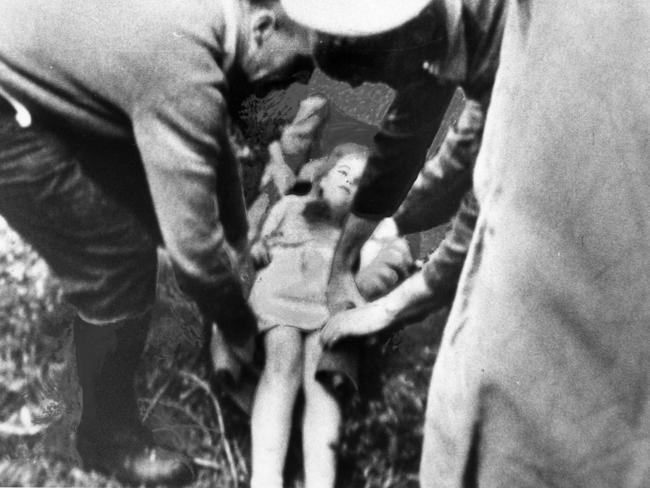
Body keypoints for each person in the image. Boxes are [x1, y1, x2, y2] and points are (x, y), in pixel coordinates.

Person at [292, 1, 650, 487]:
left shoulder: (522, 37)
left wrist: (396, 304)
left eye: (367, 78)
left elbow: (490, 198)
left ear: (405, 44)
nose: (365, 91)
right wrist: (391, 226)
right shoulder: (452, 31)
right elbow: (441, 138)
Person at [0, 0, 316, 484]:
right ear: (263, 27)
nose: (290, 80)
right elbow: (194, 259)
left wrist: (238, 234)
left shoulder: (207, 20)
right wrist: (239, 328)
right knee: (117, 262)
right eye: (294, 64)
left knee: (138, 196)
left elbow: (210, 144)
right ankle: (105, 440)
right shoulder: (185, 67)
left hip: (32, 71)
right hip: (9, 107)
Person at [280, 0, 505, 317]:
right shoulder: (431, 33)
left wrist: (399, 306)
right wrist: (394, 224)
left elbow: (483, 197)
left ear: (417, 32)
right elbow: (403, 143)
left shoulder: (504, 56)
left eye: (369, 70)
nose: (363, 84)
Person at [248, 148, 406, 488]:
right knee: (281, 365)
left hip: (324, 305)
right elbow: (260, 240)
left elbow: (380, 257)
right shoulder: (291, 206)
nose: (349, 182)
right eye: (343, 172)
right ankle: (265, 478)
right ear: (321, 180)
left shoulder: (359, 230)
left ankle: (321, 481)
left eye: (360, 181)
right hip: (279, 295)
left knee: (320, 381)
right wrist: (259, 248)